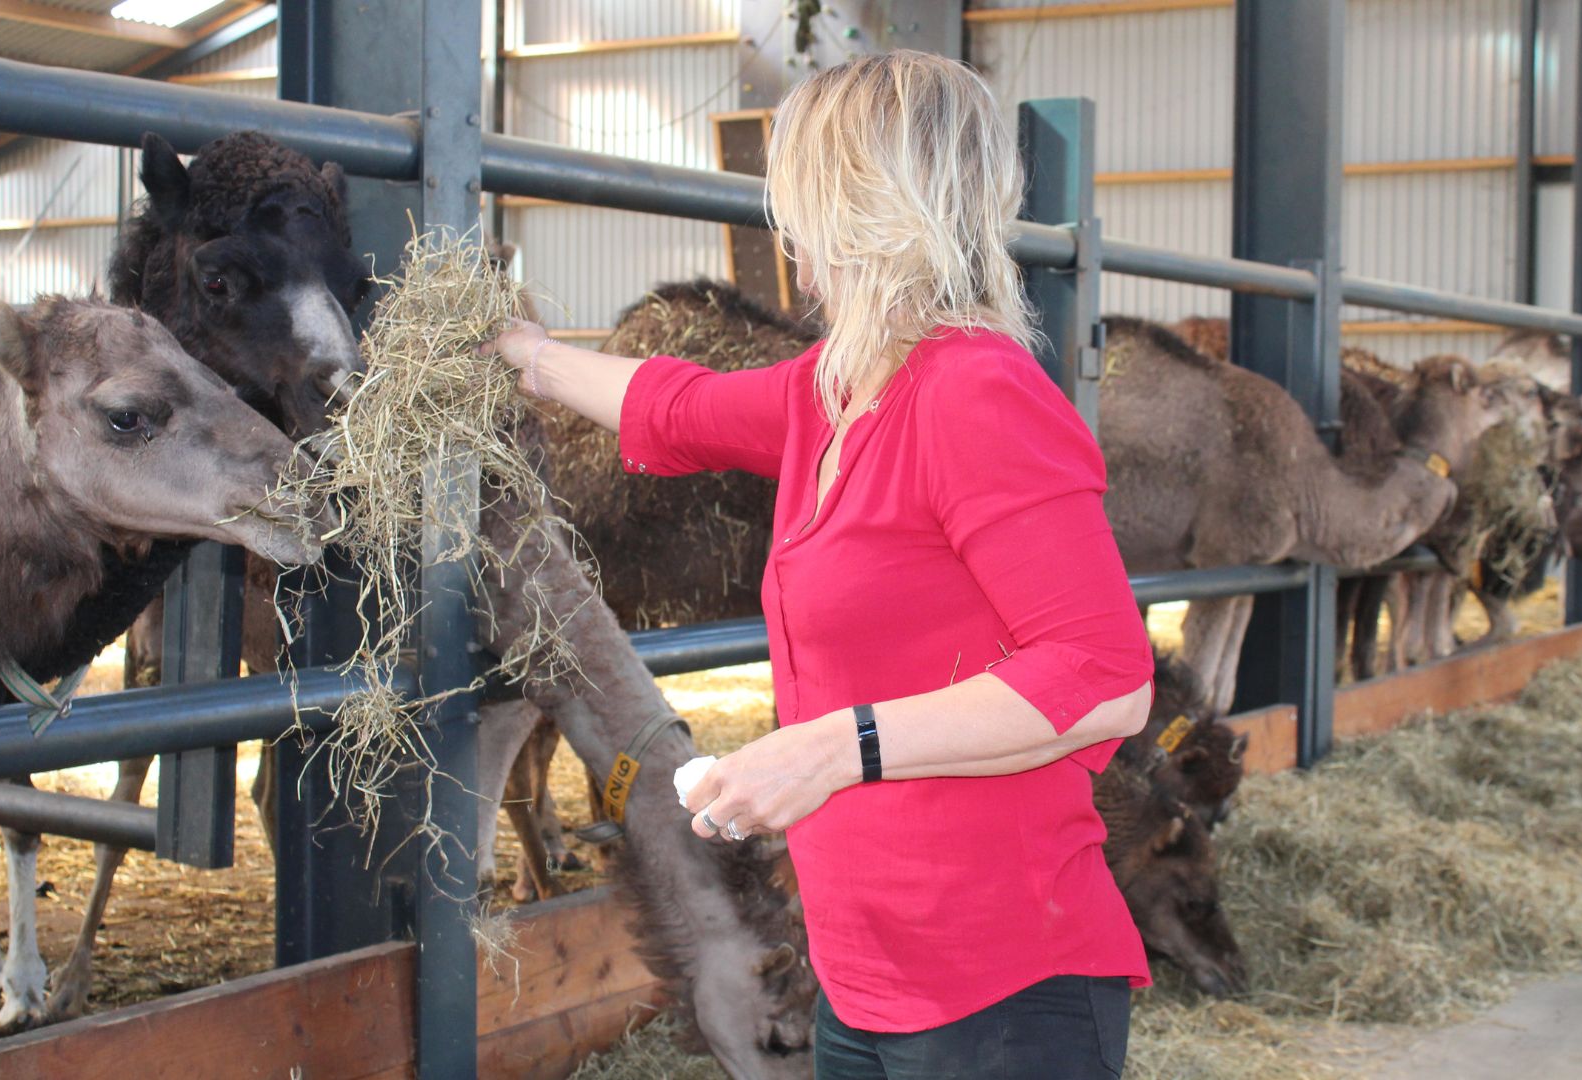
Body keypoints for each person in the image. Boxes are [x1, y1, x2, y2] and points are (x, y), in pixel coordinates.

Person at [483, 50, 1154, 1079]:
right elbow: (678, 407)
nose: (784, 228)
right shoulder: (834, 393)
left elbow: (1105, 678)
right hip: (858, 966)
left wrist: (836, 747)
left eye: (796, 192)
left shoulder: (977, 396)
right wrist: (525, 356)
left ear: (850, 206)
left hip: (999, 984)